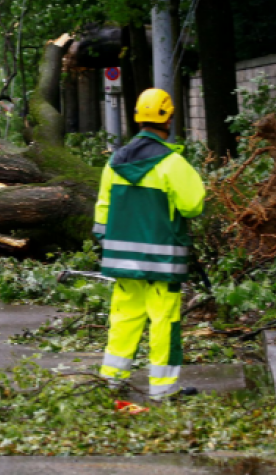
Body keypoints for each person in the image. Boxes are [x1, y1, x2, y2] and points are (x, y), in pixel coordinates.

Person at [93, 88, 205, 399]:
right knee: (163, 322)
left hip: (123, 262)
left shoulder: (114, 162)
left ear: (137, 118)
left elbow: (102, 212)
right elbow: (193, 205)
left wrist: (109, 244)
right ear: (168, 118)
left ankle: (111, 381)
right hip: (162, 263)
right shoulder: (172, 164)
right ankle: (164, 389)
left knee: (124, 319)